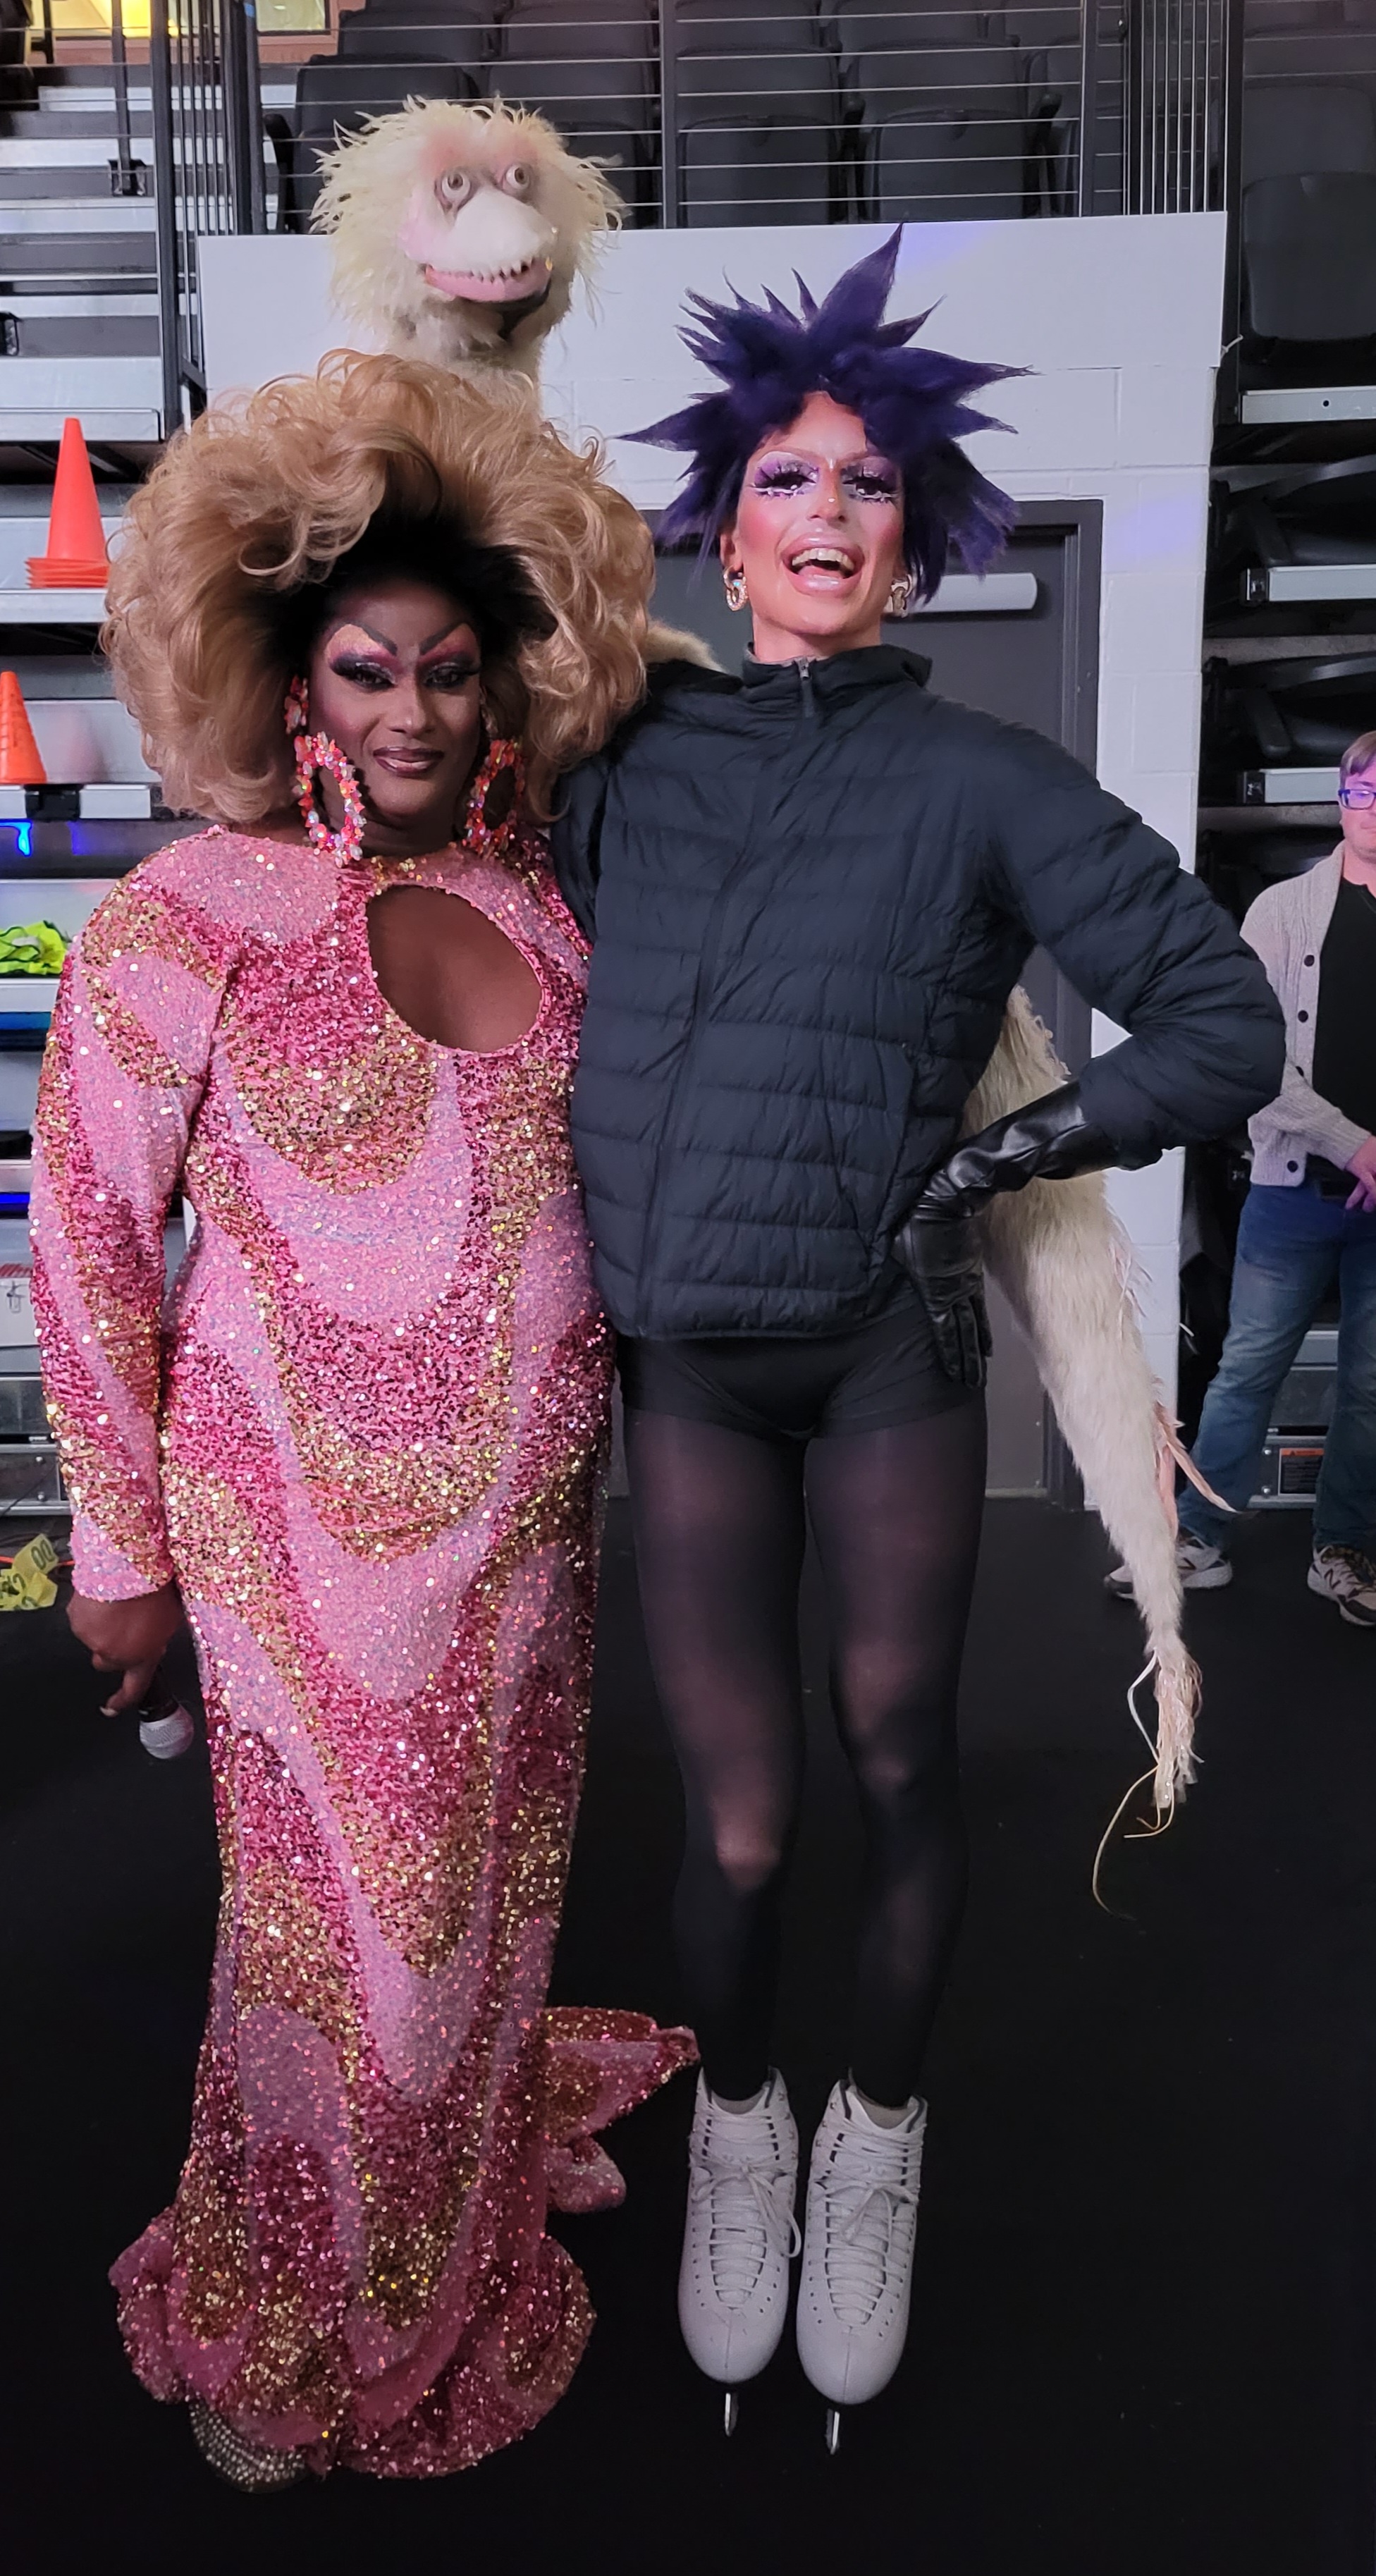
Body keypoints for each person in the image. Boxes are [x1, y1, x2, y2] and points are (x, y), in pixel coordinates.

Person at [551, 232, 1286, 2442]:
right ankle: (742, 2131)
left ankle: (870, 2137)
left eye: (869, 485)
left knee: (891, 1770)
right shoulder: (622, 750)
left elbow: (1222, 1020)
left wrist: (990, 1163)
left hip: (876, 1364)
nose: (828, 515)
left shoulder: (977, 785)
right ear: (721, 515)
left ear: (918, 534)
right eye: (787, 475)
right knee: (742, 1834)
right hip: (683, 1369)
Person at [30, 352, 692, 2489]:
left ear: (506, 679)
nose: (406, 714)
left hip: (527, 1545)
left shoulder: (561, 916)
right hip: (291, 1558)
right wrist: (114, 1557)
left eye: (443, 672)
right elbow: (92, 1257)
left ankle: (450, 2202)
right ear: (281, 681)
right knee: (336, 1955)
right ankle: (294, 2294)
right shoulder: (181, 925)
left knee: (484, 1919)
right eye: (360, 672)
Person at [1110, 729, 1376, 1624]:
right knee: (1243, 1370)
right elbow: (1257, 1063)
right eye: (1360, 791)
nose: (1370, 808)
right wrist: (1354, 1146)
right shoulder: (1282, 912)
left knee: (1371, 1384)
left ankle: (1340, 1550)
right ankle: (1199, 1539)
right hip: (1292, 1191)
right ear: (1341, 802)